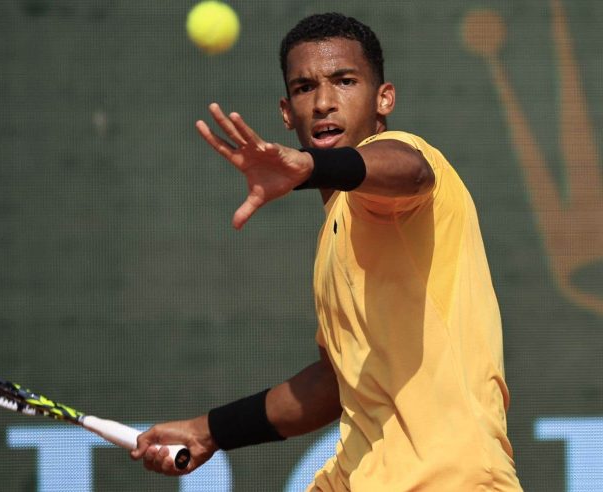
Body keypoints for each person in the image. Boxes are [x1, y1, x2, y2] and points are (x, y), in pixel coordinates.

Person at [131, 12, 522, 491]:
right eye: (303, 88)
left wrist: (311, 164)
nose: (322, 103)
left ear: (384, 99)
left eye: (344, 81)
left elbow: (410, 171)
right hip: (363, 477)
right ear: (286, 112)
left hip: (449, 479)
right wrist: (208, 431)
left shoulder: (405, 161)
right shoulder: (333, 236)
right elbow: (333, 385)